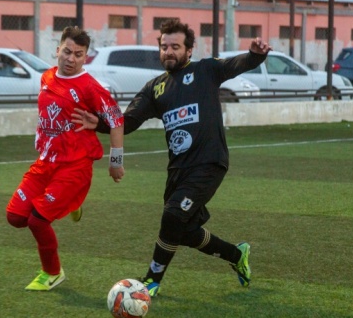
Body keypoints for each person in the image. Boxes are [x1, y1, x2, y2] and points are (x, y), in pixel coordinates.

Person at [72, 19, 271, 296]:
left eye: (175, 47)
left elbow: (236, 64)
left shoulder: (206, 70)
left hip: (209, 163)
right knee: (182, 230)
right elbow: (127, 122)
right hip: (178, 170)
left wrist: (256, 55)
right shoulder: (155, 88)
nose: (169, 52)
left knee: (173, 215)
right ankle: (237, 256)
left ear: (189, 50)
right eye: (164, 47)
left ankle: (151, 281)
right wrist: (100, 123)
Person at [6, 26, 125, 291]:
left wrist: (115, 161)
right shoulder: (47, 76)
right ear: (58, 50)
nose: (71, 58)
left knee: (38, 220)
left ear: (85, 58)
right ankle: (71, 203)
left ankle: (52, 272)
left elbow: (116, 119)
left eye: (79, 54)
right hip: (45, 163)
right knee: (15, 217)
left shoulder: (90, 87)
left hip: (75, 166)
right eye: (68, 51)